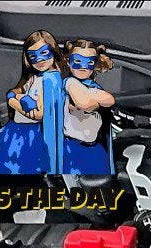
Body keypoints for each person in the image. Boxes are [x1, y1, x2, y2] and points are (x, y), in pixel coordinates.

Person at [0, 30, 65, 175]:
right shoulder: (37, 77)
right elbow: (22, 91)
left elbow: (39, 113)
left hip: (32, 133)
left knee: (23, 167)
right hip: (21, 130)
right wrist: (19, 96)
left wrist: (14, 101)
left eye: (44, 53)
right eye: (33, 56)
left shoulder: (50, 81)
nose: (39, 59)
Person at [60, 38, 117, 176]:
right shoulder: (70, 82)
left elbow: (110, 100)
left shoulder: (92, 85)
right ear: (68, 61)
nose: (83, 67)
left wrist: (91, 95)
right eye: (78, 61)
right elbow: (85, 103)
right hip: (73, 147)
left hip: (95, 146)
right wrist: (95, 99)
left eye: (89, 62)